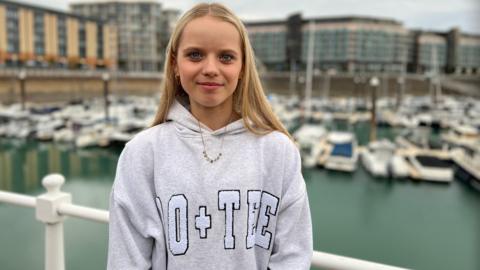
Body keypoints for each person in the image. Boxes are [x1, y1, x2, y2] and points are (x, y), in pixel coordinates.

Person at [107, 3, 312, 269]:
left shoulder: (279, 152)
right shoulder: (142, 153)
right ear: (175, 64)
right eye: (195, 55)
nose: (211, 68)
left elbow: (293, 255)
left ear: (242, 67)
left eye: (226, 57)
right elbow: (126, 260)